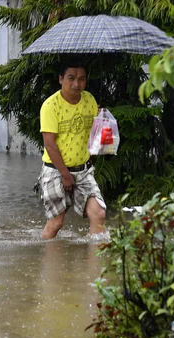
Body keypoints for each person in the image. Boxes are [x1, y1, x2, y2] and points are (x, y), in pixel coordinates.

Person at [38, 62, 106, 239]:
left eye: (82, 79)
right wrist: (65, 174)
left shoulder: (89, 100)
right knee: (56, 223)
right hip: (55, 170)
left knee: (98, 214)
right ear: (61, 79)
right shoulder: (50, 106)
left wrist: (103, 119)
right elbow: (50, 144)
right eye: (71, 78)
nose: (77, 84)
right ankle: (49, 264)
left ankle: (94, 265)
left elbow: (95, 133)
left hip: (83, 170)